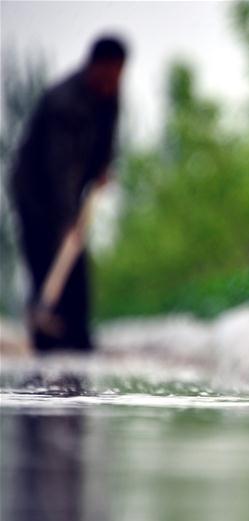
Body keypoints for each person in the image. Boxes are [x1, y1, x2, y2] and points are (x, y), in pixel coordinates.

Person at [9, 36, 127, 353]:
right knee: (45, 257)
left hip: (72, 192)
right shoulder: (64, 102)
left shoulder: (110, 93)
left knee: (76, 263)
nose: (115, 82)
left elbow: (107, 136)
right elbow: (60, 168)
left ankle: (78, 339)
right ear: (95, 67)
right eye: (111, 74)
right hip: (35, 191)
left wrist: (103, 166)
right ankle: (45, 338)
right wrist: (65, 218)